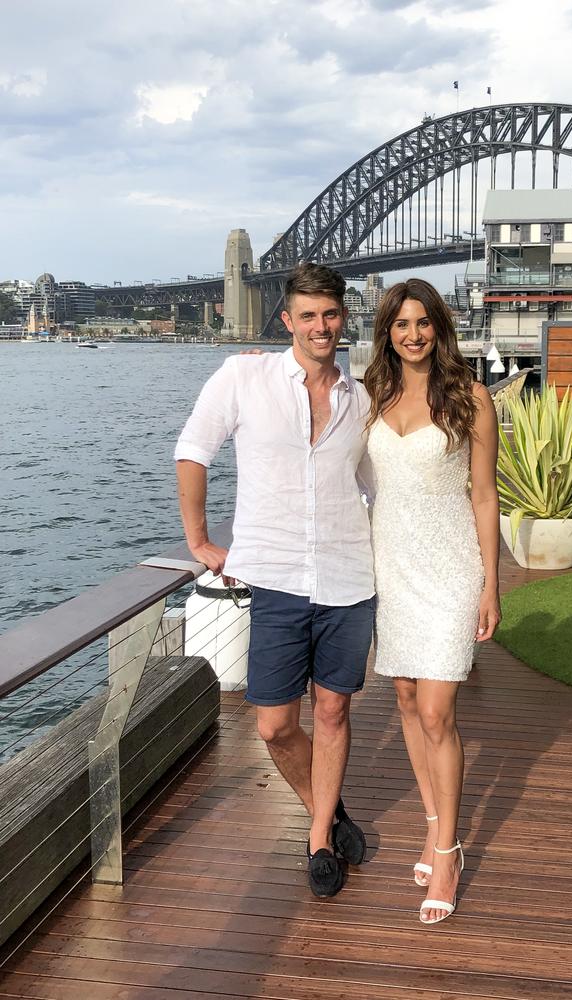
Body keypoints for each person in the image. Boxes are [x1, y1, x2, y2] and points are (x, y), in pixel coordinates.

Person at [174, 263, 375, 899]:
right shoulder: (245, 375)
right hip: (278, 578)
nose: (321, 326)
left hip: (349, 573)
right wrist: (200, 541)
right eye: (308, 315)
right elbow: (193, 450)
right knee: (272, 725)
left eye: (331, 314)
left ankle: (318, 839)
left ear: (344, 317)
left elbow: (375, 487)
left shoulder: (363, 397)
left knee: (335, 708)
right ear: (287, 320)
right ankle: (331, 808)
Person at [364, 278, 501, 925]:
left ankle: (448, 851)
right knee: (404, 699)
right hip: (391, 569)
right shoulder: (372, 396)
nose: (412, 334)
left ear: (438, 328)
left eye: (422, 323)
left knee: (438, 709)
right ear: (387, 332)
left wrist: (492, 583)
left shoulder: (470, 399)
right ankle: (432, 819)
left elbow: (483, 497)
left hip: (449, 572)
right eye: (401, 324)